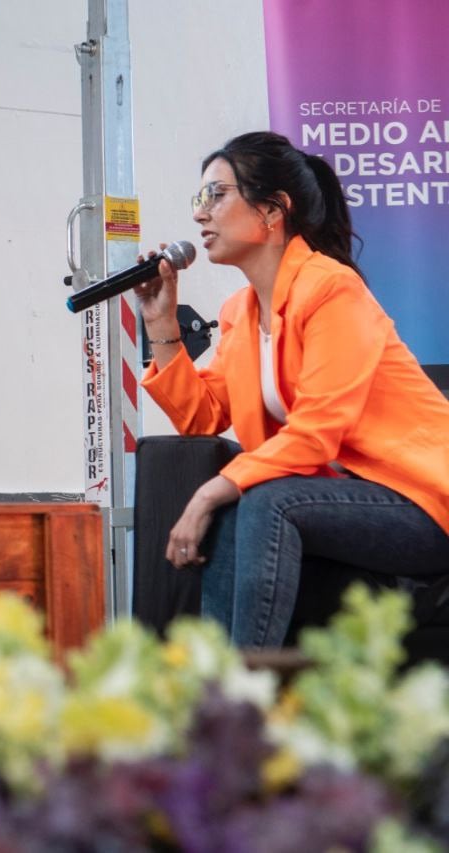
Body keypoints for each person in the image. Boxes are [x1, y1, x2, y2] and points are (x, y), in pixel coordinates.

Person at [136, 130, 449, 648]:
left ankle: (244, 687)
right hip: (352, 497)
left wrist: (213, 489)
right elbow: (202, 416)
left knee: (264, 501)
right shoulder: (242, 310)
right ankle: (215, 690)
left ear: (273, 210)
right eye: (200, 199)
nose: (199, 214)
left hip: (425, 500)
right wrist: (161, 321)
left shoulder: (331, 288)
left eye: (216, 195)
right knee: (246, 504)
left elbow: (317, 433)